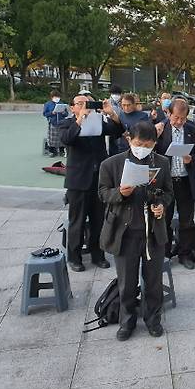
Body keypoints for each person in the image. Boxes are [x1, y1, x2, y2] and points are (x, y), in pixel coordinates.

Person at [98, 121, 173, 341]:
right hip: (125, 232)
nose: (143, 148)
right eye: (139, 143)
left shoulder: (161, 163)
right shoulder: (111, 164)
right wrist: (120, 193)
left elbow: (168, 192)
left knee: (153, 281)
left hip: (152, 232)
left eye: (148, 144)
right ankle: (127, 321)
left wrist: (161, 205)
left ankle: (153, 319)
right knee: (127, 282)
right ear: (129, 139)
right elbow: (103, 193)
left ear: (154, 144)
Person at [59, 94, 124, 272]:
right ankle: (74, 257)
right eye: (80, 104)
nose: (84, 106)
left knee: (98, 220)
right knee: (77, 221)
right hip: (78, 181)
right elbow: (66, 139)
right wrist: (80, 119)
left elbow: (117, 131)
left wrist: (111, 113)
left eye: (86, 103)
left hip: (99, 179)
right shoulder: (67, 123)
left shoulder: (97, 121)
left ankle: (98, 254)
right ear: (72, 107)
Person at [155, 98, 195, 269]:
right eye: (176, 118)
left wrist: (191, 159)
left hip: (185, 180)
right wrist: (155, 137)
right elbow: (149, 152)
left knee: (187, 220)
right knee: (163, 219)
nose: (179, 122)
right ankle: (165, 253)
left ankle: (185, 253)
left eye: (183, 118)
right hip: (166, 182)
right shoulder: (160, 129)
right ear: (168, 114)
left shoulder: (192, 130)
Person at [42, 90, 68, 156]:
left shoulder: (62, 103)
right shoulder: (48, 104)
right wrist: (52, 113)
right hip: (53, 122)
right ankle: (52, 151)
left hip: (61, 122)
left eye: (58, 96)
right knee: (52, 138)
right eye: (55, 96)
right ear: (51, 97)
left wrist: (63, 113)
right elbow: (45, 113)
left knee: (61, 137)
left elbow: (66, 114)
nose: (56, 98)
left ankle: (61, 151)